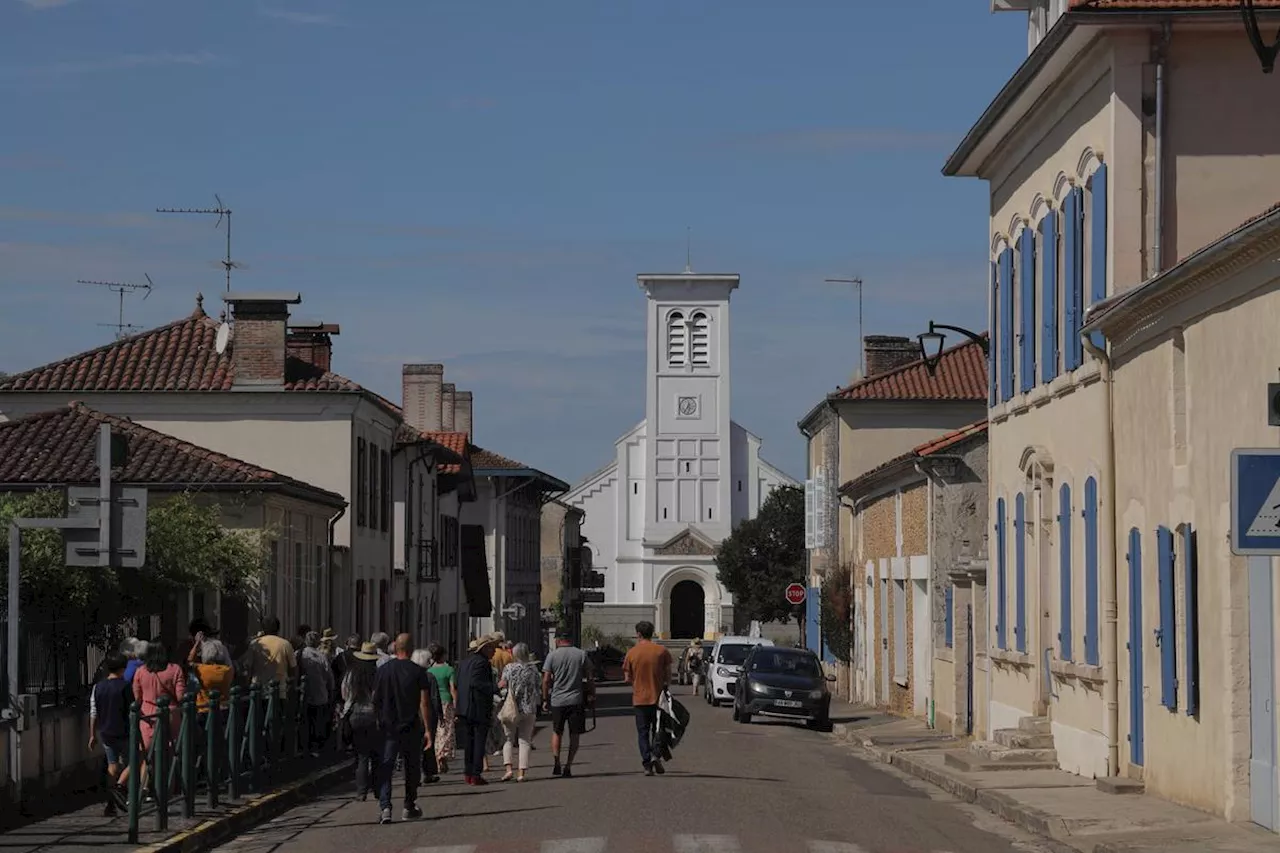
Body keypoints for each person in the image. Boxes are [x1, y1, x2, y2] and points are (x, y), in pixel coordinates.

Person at [371, 633, 434, 825]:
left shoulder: (383, 671)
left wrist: (378, 721)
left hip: (388, 726)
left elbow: (375, 699)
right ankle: (409, 805)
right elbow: (424, 703)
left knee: (386, 766)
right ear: (411, 648)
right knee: (412, 766)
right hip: (410, 725)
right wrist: (428, 729)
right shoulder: (418, 672)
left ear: (395, 648)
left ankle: (385, 807)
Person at [133, 642, 186, 795]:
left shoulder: (140, 672)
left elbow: (137, 697)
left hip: (147, 716)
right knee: (171, 755)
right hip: (170, 714)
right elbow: (180, 696)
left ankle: (146, 788)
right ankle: (169, 792)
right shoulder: (175, 669)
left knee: (148, 755)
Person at [622, 620, 672, 776]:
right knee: (658, 730)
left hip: (640, 699)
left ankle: (647, 763)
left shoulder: (632, 653)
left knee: (642, 733)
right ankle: (656, 755)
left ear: (638, 634)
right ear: (652, 633)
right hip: (658, 698)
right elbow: (668, 675)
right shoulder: (661, 651)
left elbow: (627, 677)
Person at [541, 630, 593, 779]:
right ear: (570, 639)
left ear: (558, 640)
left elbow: (546, 679)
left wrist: (545, 699)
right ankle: (568, 766)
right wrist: (591, 694)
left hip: (557, 700)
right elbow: (590, 677)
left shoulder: (552, 656)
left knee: (557, 731)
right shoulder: (581, 654)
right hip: (576, 700)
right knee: (574, 734)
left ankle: (556, 760)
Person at [89, 652, 131, 816]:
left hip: (105, 732)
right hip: (124, 730)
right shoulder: (125, 686)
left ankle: (111, 802)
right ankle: (120, 787)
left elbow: (93, 711)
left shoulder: (97, 687)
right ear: (123, 668)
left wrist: (92, 734)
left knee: (112, 766)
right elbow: (132, 709)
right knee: (135, 761)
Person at [454, 634, 498, 786]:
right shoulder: (482, 663)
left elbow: (458, 682)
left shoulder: (464, 663)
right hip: (477, 708)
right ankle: (475, 773)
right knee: (479, 741)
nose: (494, 651)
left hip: (465, 707)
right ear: (484, 648)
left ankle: (468, 772)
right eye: (492, 648)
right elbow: (477, 683)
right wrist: (496, 687)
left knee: (469, 742)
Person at [341, 641, 380, 800]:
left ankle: (361, 791)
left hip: (355, 715)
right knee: (376, 755)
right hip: (373, 715)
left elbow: (344, 693)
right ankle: (378, 788)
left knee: (361, 755)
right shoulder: (378, 673)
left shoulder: (351, 674)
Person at [497, 642, 539, 782]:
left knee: (508, 739)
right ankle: (521, 773)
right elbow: (537, 687)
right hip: (529, 708)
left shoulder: (509, 668)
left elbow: (502, 686)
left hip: (511, 708)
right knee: (525, 741)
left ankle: (509, 769)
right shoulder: (533, 669)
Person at [239, 616, 296, 697]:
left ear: (263, 629)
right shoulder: (285, 644)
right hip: (280, 690)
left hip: (259, 690)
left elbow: (248, 667)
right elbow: (293, 668)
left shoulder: (255, 644)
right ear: (278, 628)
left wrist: (247, 684)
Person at [409, 648, 443, 784]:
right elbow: (434, 698)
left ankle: (414, 774)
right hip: (427, 714)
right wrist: (439, 713)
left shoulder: (409, 675)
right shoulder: (429, 677)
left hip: (411, 714)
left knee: (413, 746)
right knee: (428, 744)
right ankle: (427, 772)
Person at [300, 631, 336, 755]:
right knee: (317, 721)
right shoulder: (321, 656)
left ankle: (304, 745)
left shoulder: (300, 654)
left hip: (303, 693)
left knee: (305, 720)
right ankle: (315, 746)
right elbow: (329, 677)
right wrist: (331, 691)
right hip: (320, 693)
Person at [426, 644, 457, 775]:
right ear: (443, 655)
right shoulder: (449, 669)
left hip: (433, 702)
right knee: (447, 728)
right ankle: (442, 754)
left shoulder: (429, 671)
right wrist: (456, 705)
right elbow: (453, 688)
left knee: (437, 729)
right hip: (446, 701)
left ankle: (437, 754)